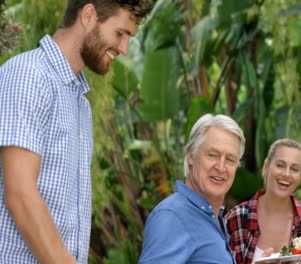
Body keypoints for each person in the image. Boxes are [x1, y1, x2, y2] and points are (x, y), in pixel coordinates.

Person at [0, 1, 152, 263]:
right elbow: (20, 195)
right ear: (89, 15)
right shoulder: (29, 76)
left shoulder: (79, 101)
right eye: (120, 33)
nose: (124, 49)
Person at [139, 114, 246, 263]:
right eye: (212, 155)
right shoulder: (173, 216)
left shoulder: (213, 215)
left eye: (230, 159)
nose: (221, 167)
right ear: (191, 156)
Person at [225, 138, 301, 264]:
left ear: (300, 175)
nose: (286, 174)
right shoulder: (236, 218)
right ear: (266, 167)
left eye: (294, 169)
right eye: (280, 165)